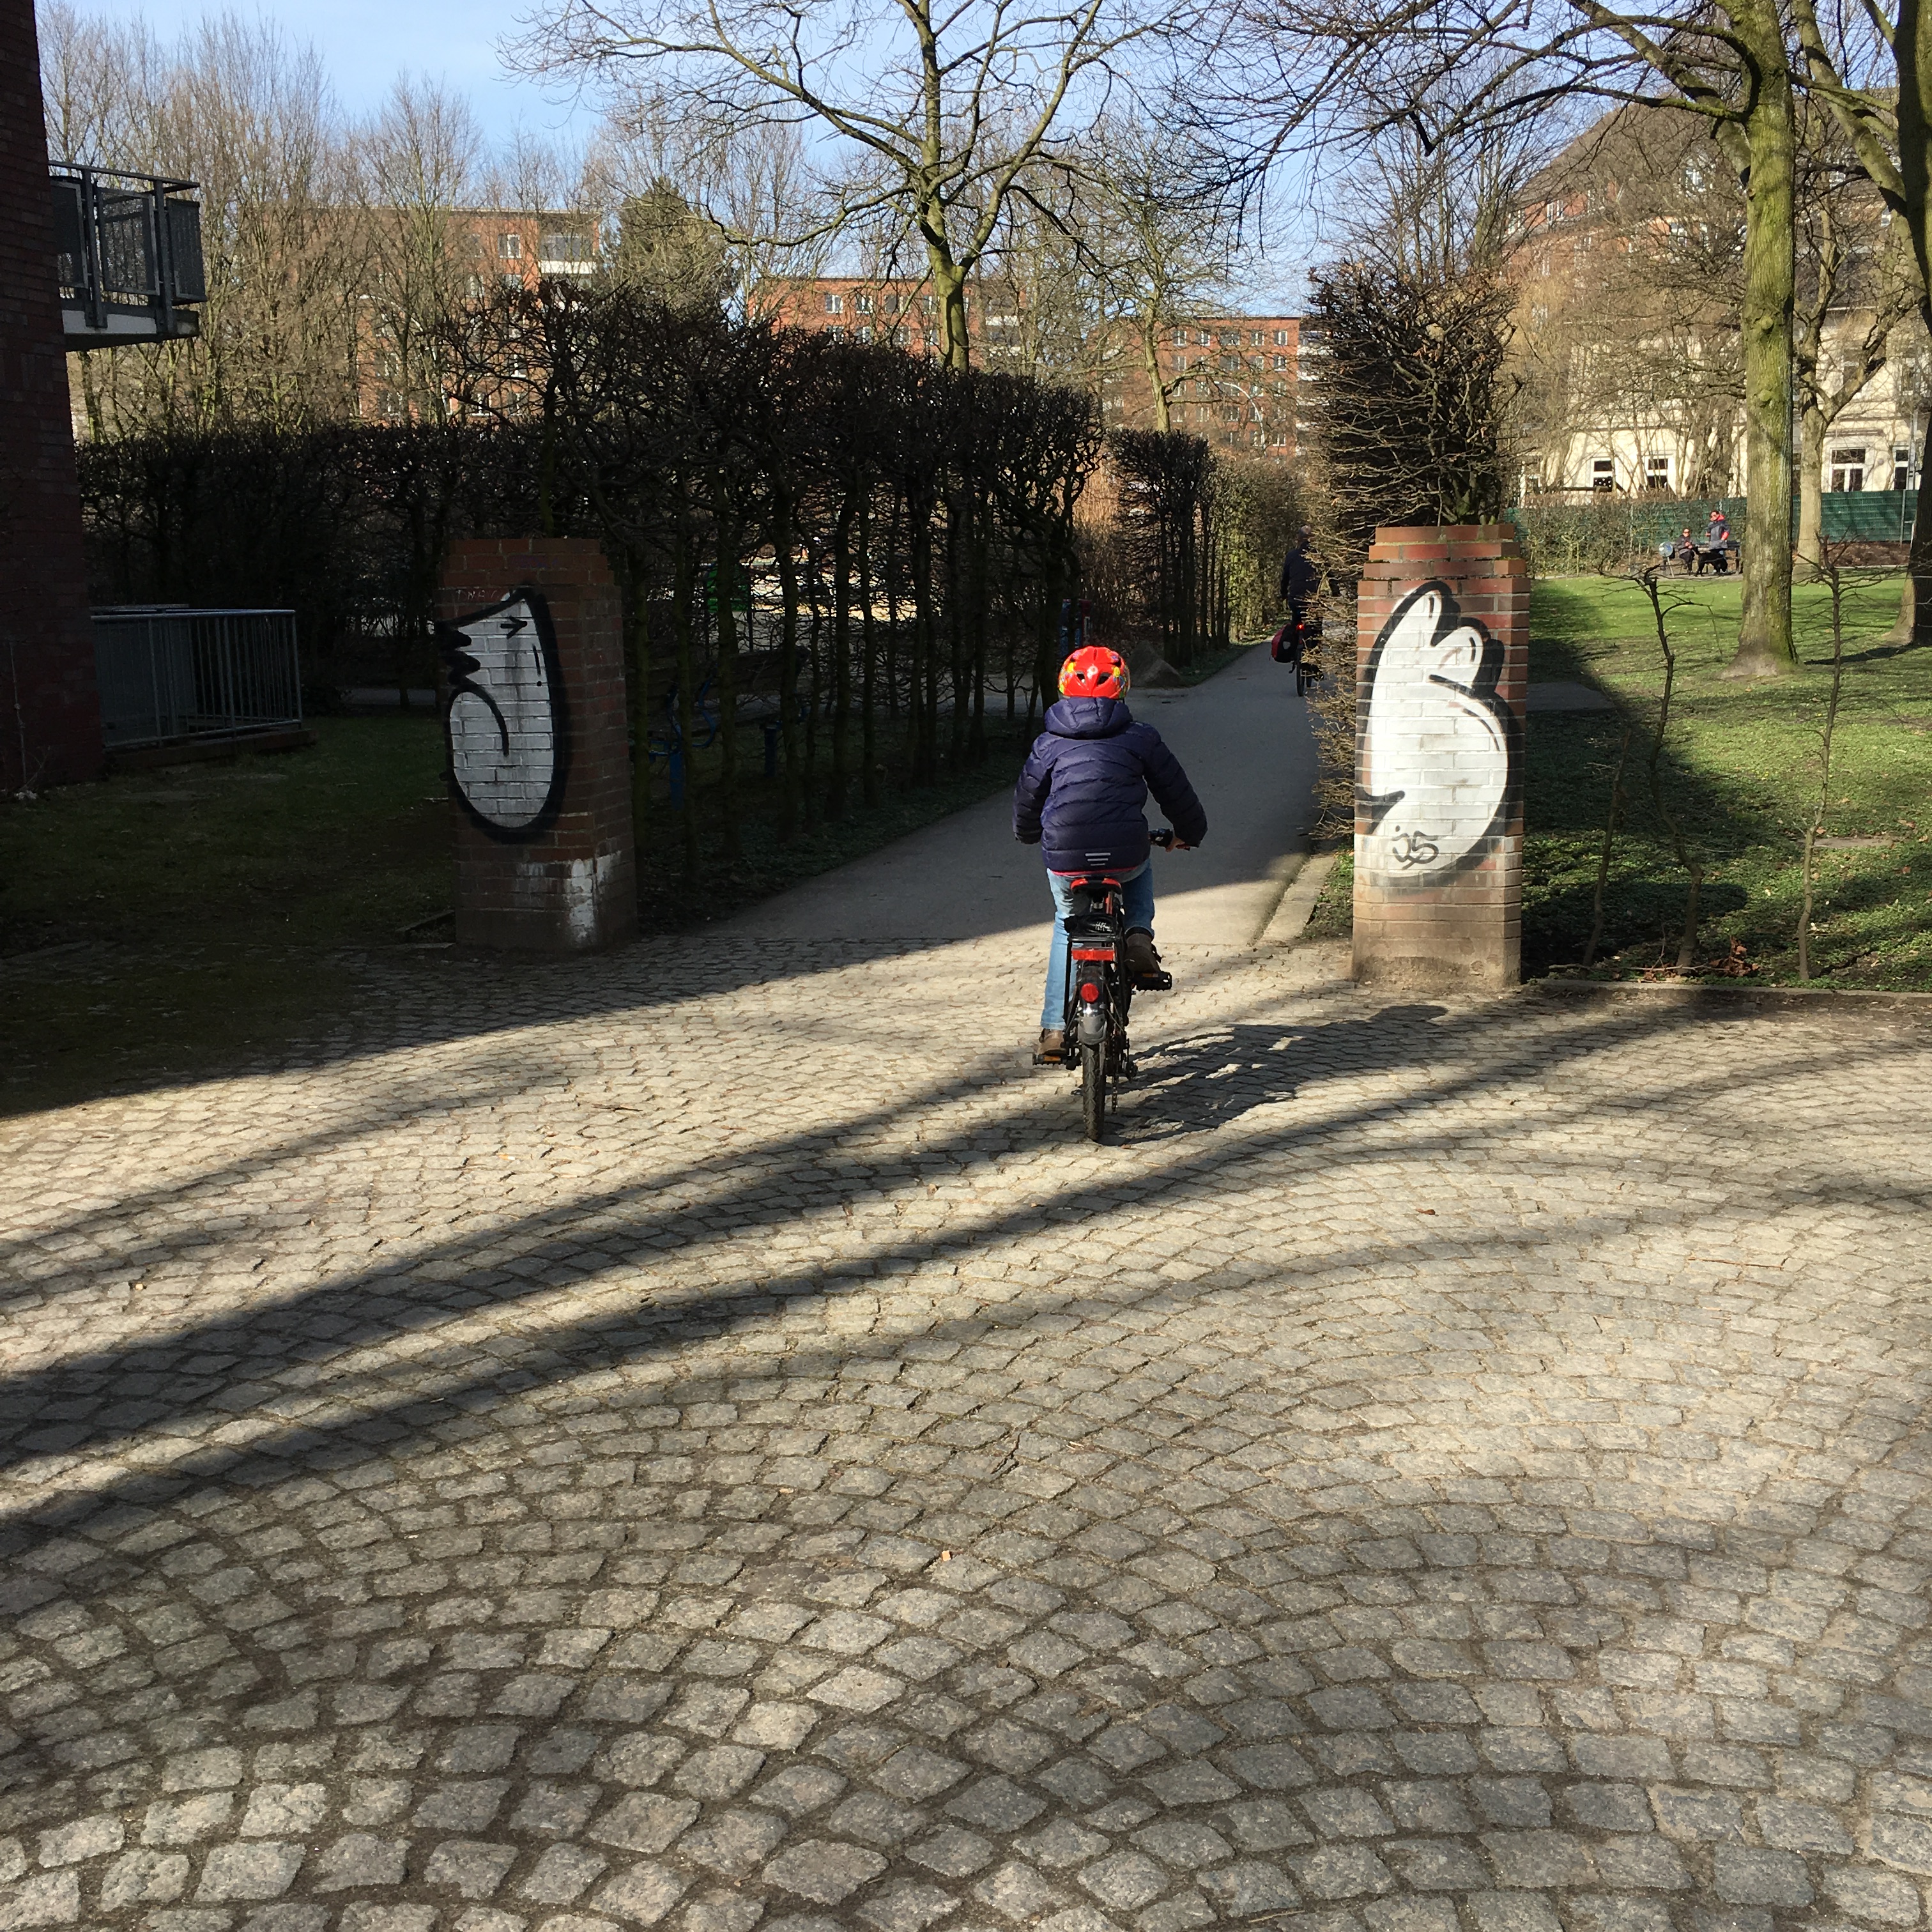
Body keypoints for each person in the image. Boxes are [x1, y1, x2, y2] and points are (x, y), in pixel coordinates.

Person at [1014, 645, 1208, 1062]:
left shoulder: (1047, 744)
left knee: (1066, 926)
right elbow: (1175, 791)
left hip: (1066, 859)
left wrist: (1028, 834)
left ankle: (1053, 1029)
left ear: (1064, 690)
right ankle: (1137, 935)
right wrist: (1187, 833)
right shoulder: (1140, 737)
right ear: (1122, 691)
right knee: (1137, 868)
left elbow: (1028, 800)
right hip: (1124, 853)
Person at [1279, 526, 1320, 655]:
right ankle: (1316, 657)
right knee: (1316, 628)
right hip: (1312, 601)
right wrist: (1335, 592)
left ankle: (1294, 650)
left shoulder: (1291, 556)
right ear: (1313, 539)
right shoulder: (1318, 556)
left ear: (1299, 539)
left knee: (1296, 621)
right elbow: (1330, 575)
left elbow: (1285, 578)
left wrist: (1283, 594)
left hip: (1295, 600)